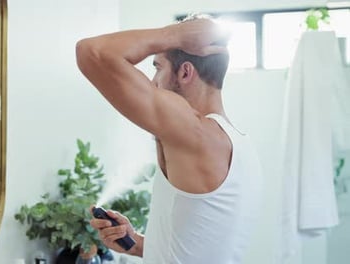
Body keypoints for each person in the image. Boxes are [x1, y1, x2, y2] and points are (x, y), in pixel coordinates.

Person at [76, 14, 263, 263]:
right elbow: (206, 245)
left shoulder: (197, 134)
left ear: (185, 72)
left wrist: (174, 36)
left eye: (158, 68)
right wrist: (138, 244)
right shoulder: (238, 143)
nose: (153, 82)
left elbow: (92, 52)